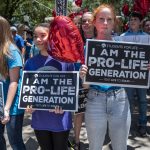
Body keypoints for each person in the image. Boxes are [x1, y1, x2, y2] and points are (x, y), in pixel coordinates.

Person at [79, 4, 131, 150]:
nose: (105, 23)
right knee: (94, 146)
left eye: (109, 19)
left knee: (120, 146)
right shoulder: (87, 48)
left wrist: (142, 68)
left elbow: (133, 76)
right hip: (94, 100)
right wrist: (83, 75)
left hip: (119, 99)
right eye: (101, 19)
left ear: (114, 22)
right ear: (95, 22)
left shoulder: (124, 46)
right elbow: (85, 87)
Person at [24, 23, 74, 150]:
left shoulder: (66, 61)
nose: (38, 39)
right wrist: (28, 104)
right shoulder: (30, 63)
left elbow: (72, 89)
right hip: (40, 119)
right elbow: (28, 90)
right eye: (35, 36)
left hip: (60, 119)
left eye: (43, 35)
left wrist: (65, 104)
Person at [121, 11, 148, 136]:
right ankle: (129, 124)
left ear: (140, 22)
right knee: (129, 100)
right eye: (131, 19)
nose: (132, 22)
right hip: (128, 75)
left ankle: (143, 124)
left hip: (143, 75)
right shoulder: (122, 37)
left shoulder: (147, 38)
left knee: (143, 100)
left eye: (135, 19)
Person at [0, 16, 26, 150]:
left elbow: (14, 82)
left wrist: (6, 109)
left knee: (15, 142)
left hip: (12, 106)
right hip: (0, 102)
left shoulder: (12, 51)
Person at [72, 11, 94, 150]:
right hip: (78, 81)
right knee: (78, 113)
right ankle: (77, 140)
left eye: (89, 21)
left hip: (98, 84)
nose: (85, 23)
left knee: (93, 113)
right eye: (83, 21)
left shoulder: (102, 39)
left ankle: (95, 141)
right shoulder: (75, 40)